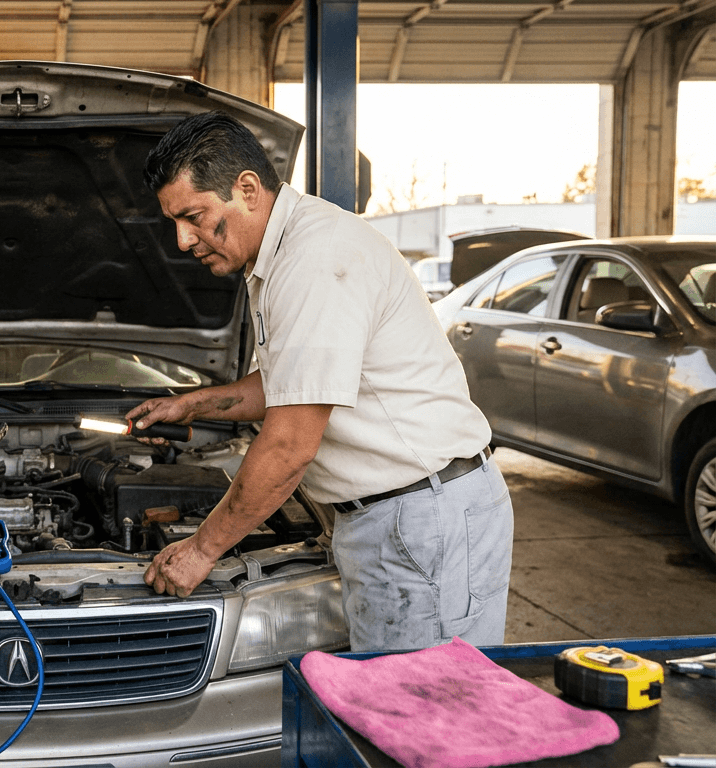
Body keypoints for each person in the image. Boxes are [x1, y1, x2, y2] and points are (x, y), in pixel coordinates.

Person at [129, 111, 513, 652]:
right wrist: (195, 405)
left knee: (425, 712)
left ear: (247, 189)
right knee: (393, 705)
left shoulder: (315, 258)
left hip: (421, 519)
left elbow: (288, 446)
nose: (183, 240)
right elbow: (295, 383)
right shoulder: (285, 251)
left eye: (193, 216)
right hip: (396, 516)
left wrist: (202, 548)